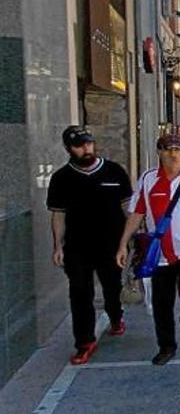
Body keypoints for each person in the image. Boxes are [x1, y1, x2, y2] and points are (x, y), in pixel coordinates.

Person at [116, 132, 180, 366]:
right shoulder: (148, 179)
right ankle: (166, 346)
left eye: (178, 149)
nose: (173, 154)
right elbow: (137, 213)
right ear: (159, 152)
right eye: (167, 149)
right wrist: (123, 243)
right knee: (162, 303)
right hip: (159, 254)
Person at [47, 126, 132, 365]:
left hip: (111, 245)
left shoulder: (114, 172)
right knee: (80, 293)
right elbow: (58, 215)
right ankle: (84, 341)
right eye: (79, 145)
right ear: (68, 149)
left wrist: (130, 240)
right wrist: (57, 246)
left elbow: (128, 208)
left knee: (112, 287)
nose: (86, 149)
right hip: (77, 247)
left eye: (88, 143)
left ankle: (116, 317)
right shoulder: (61, 178)